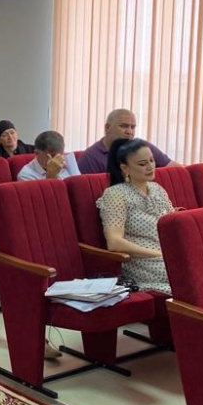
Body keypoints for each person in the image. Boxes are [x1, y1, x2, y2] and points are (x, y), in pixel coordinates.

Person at [96, 138, 174, 294]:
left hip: (167, 254)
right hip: (142, 260)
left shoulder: (157, 189)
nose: (150, 167)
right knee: (189, 277)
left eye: (151, 160)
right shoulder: (116, 194)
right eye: (142, 164)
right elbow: (114, 242)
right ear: (125, 168)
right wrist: (159, 254)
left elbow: (172, 225)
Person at [77, 109, 179, 174]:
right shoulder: (90, 158)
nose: (129, 132)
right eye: (124, 126)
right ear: (107, 128)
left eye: (133, 127)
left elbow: (177, 170)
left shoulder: (143, 147)